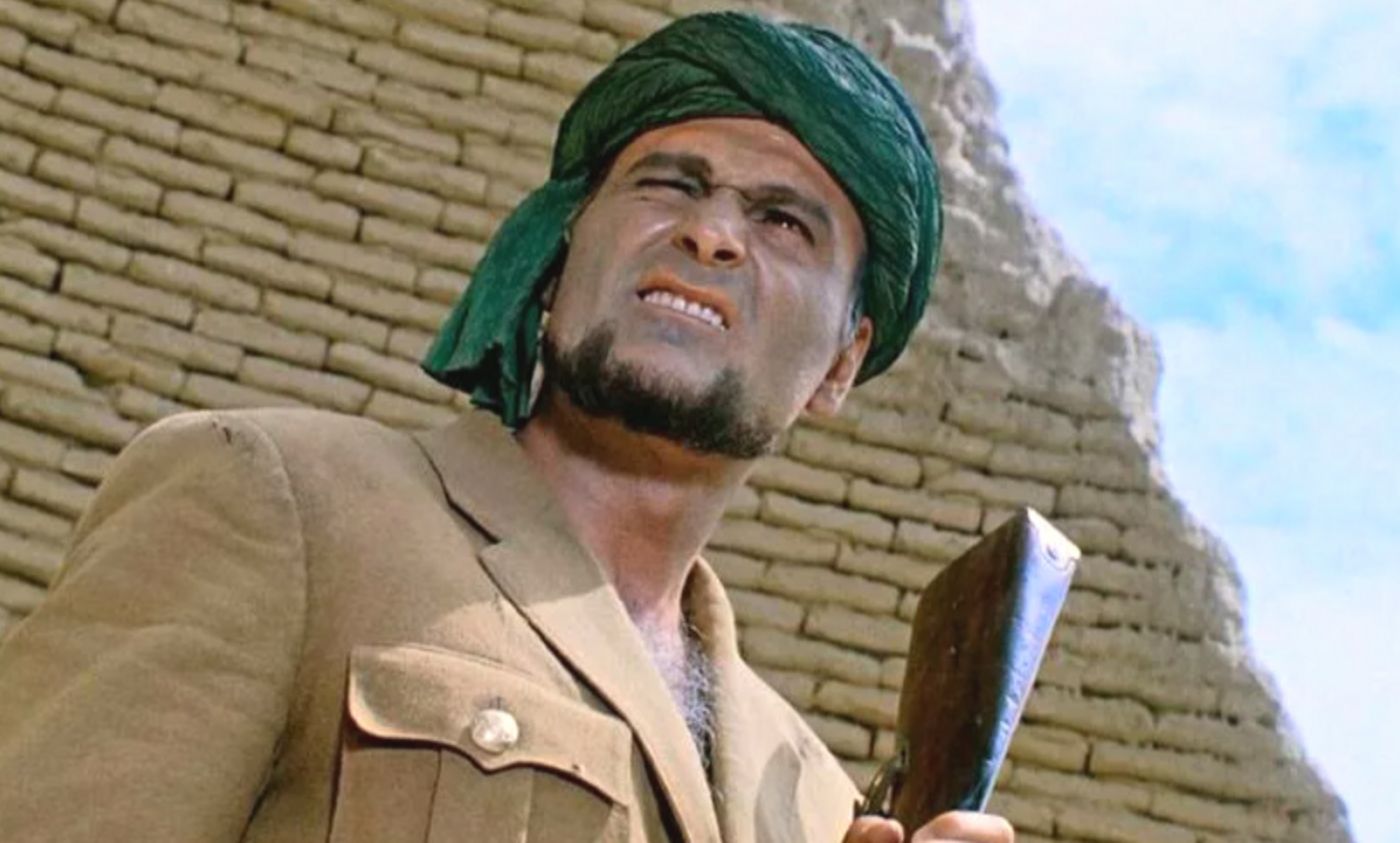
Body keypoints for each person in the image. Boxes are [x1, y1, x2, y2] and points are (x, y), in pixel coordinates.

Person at [0, 12, 1013, 843]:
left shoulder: (818, 798)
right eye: (670, 183)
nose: (710, 232)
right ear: (560, 253)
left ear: (841, 364)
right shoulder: (279, 500)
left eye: (783, 222)